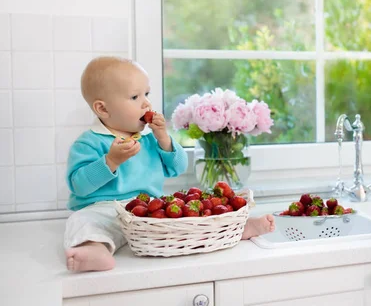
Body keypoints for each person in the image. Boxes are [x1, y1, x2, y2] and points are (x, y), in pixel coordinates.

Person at [64, 56, 275, 272]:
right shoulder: (89, 142)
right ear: (103, 109)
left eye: (147, 94)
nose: (146, 103)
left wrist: (164, 139)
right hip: (104, 210)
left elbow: (177, 167)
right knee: (82, 221)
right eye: (135, 97)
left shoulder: (149, 137)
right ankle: (94, 249)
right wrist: (110, 161)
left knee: (185, 220)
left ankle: (235, 229)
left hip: (147, 211)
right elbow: (79, 185)